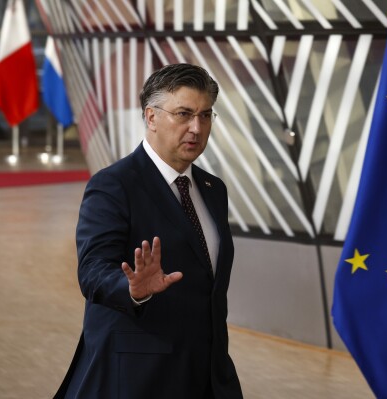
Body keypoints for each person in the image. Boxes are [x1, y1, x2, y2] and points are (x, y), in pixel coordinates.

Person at [55, 63, 243, 399]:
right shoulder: (114, 185)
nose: (196, 128)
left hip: (210, 376)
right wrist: (133, 289)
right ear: (151, 117)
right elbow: (93, 271)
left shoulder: (214, 189)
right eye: (183, 114)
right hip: (140, 377)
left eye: (205, 115)